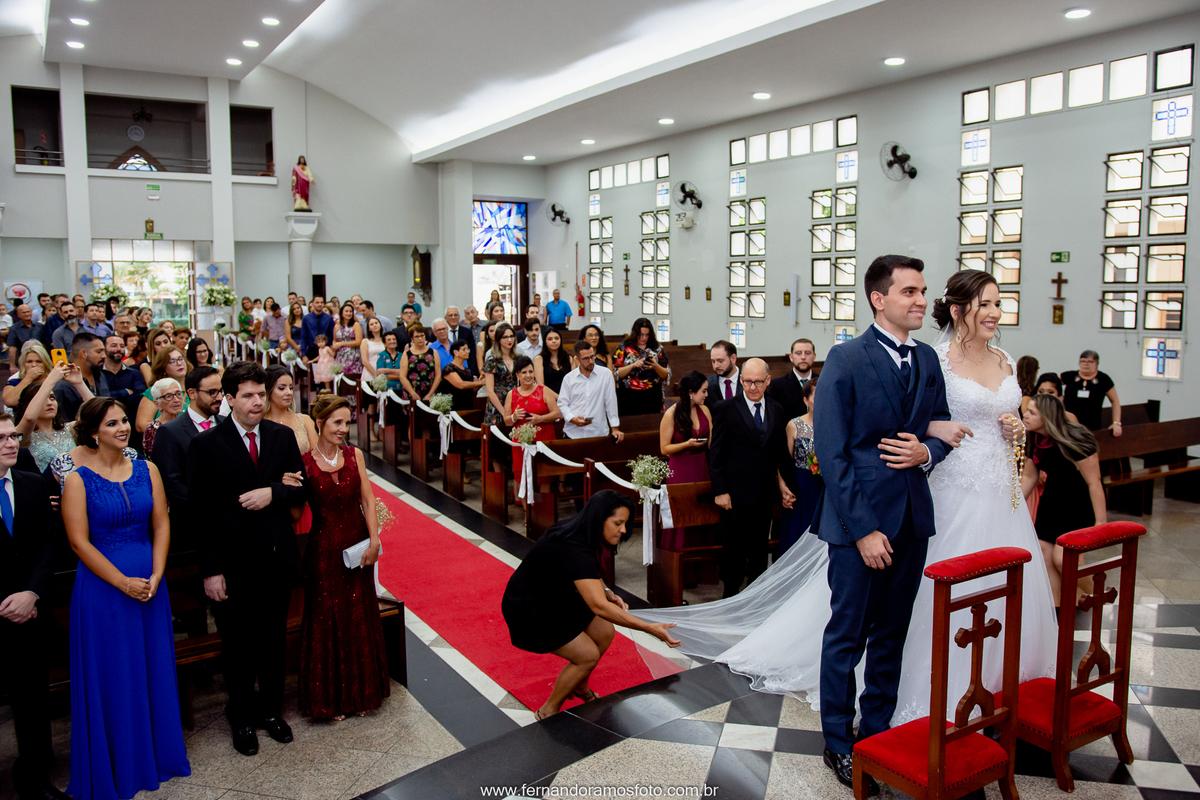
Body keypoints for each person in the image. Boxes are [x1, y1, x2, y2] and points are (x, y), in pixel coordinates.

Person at [61, 397, 191, 798]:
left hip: (150, 584)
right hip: (104, 590)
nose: (122, 428)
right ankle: (118, 763)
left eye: (123, 421)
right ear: (93, 433)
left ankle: (157, 754)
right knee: (114, 673)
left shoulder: (147, 469)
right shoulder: (77, 480)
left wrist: (157, 573)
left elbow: (162, 523)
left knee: (152, 668)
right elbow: (79, 543)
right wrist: (123, 582)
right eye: (112, 423)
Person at [188, 361, 307, 757]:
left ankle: (271, 711)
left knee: (273, 641)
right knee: (237, 645)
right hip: (233, 562)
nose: (257, 402)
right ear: (229, 398)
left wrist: (273, 492)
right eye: (248, 396)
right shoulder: (207, 444)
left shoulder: (280, 436)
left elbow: (300, 489)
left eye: (261, 394)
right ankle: (240, 716)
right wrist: (211, 571)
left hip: (275, 556)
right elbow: (200, 513)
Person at [501, 491, 680, 719]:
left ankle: (579, 685)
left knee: (604, 632)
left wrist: (607, 591)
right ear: (599, 519)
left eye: (625, 524)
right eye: (618, 523)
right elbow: (599, 606)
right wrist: (649, 627)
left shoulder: (583, 530)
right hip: (528, 607)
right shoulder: (574, 545)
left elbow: (589, 571)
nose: (624, 530)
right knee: (587, 655)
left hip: (555, 595)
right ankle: (547, 711)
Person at [297, 395, 388, 719]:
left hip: (356, 546)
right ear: (320, 422)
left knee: (358, 615)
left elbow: (367, 499)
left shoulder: (354, 455)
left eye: (346, 422)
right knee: (327, 619)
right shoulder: (304, 462)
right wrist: (286, 487)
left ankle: (362, 694)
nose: (343, 429)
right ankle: (330, 698)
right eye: (337, 422)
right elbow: (294, 513)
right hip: (322, 551)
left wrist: (374, 540)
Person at [0, 413, 69, 800]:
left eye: (13, 436)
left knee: (32, 700)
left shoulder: (29, 483)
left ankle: (35, 777)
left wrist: (31, 593)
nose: (11, 443)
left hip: (31, 610)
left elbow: (47, 542)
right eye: (1, 438)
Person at [708, 357, 795, 598]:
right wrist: (720, 491)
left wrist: (787, 485)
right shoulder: (725, 408)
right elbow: (716, 454)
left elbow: (780, 452)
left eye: (758, 381)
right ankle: (730, 596)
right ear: (741, 381)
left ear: (768, 381)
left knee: (759, 549)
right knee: (733, 549)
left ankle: (756, 598)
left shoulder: (777, 409)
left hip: (764, 493)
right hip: (733, 494)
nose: (752, 387)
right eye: (747, 381)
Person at [1024, 393, 1106, 605]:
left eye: (1032, 412)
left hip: (1076, 501)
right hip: (1052, 500)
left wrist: (1101, 523)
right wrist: (1013, 506)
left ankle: (1099, 594)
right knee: (1044, 554)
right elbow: (1029, 477)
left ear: (1046, 417)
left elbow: (1094, 482)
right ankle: (1058, 610)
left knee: (1062, 559)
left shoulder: (1075, 438)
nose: (1025, 415)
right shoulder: (1033, 437)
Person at [149, 366, 224, 554]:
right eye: (212, 392)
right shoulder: (170, 431)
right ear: (192, 393)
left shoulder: (227, 423)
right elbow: (171, 482)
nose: (219, 397)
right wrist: (208, 508)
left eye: (221, 391)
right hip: (192, 526)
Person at [657, 370, 712, 549]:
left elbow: (712, 442)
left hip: (702, 466)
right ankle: (677, 555)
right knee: (682, 512)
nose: (706, 395)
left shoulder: (705, 410)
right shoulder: (671, 413)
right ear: (690, 392)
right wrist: (686, 444)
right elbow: (664, 448)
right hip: (681, 468)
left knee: (703, 512)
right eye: (703, 391)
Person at [503, 355, 562, 498]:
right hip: (522, 442)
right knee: (522, 476)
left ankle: (543, 509)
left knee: (544, 478)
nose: (528, 375)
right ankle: (526, 510)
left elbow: (557, 413)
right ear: (517, 375)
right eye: (524, 372)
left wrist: (540, 418)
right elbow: (507, 421)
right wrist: (514, 417)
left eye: (530, 371)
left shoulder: (544, 390)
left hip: (543, 439)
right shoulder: (512, 394)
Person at [778, 377, 822, 555]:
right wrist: (783, 488)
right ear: (806, 400)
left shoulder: (834, 424)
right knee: (798, 532)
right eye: (817, 397)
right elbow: (784, 462)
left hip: (824, 487)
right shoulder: (794, 425)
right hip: (800, 485)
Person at [14, 365, 77, 473]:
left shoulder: (70, 429)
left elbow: (100, 417)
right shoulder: (24, 435)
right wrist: (51, 380)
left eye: (52, 398)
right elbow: (29, 418)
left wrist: (79, 383)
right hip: (43, 483)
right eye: (43, 399)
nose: (49, 403)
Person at [557, 340, 622, 443]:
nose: (591, 361)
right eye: (586, 358)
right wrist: (572, 419)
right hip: (573, 433)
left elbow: (611, 402)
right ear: (578, 359)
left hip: (598, 433)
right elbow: (562, 404)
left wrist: (615, 428)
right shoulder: (569, 378)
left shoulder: (606, 374)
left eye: (592, 356)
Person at [613, 318, 669, 416]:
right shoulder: (623, 348)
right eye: (641, 334)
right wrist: (633, 365)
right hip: (628, 394)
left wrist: (655, 366)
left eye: (647, 335)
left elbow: (666, 375)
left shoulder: (657, 348)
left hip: (652, 394)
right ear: (635, 333)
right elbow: (615, 373)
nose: (644, 338)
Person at [1061, 349, 1121, 435]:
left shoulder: (1103, 379)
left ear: (1096, 363)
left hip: (1092, 425)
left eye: (1090, 361)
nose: (1086, 364)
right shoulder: (1070, 376)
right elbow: (1051, 381)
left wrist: (1116, 423)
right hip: (1068, 424)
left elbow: (1115, 401)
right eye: (1083, 361)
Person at [135, 345, 190, 433]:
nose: (179, 363)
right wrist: (169, 432)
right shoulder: (153, 392)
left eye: (180, 359)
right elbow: (141, 425)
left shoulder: (194, 390)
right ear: (163, 368)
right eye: (173, 361)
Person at [263, 365, 317, 456]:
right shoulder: (258, 423)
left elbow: (317, 457)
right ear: (268, 390)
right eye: (282, 388)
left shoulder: (305, 421)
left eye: (291, 388)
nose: (289, 393)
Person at [53, 332, 105, 423]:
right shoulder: (63, 386)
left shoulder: (101, 376)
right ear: (84, 353)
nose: (104, 356)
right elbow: (62, 424)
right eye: (99, 352)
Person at [766, 338, 816, 420]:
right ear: (791, 357)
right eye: (798, 353)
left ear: (814, 356)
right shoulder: (776, 385)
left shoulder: (822, 383)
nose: (803, 357)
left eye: (807, 353)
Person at [100, 334, 147, 419]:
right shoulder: (97, 374)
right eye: (113, 345)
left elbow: (139, 398)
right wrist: (126, 392)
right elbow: (99, 398)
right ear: (104, 349)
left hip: (130, 419)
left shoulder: (135, 373)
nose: (118, 349)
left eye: (122, 346)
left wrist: (112, 395)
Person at [482, 323, 518, 427]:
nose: (509, 340)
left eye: (511, 336)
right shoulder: (492, 360)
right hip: (497, 404)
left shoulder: (518, 358)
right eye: (505, 337)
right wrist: (504, 412)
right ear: (498, 340)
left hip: (514, 402)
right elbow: (490, 391)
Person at [398, 323, 442, 403]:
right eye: (417, 337)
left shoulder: (433, 352)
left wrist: (430, 394)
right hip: (412, 393)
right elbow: (402, 376)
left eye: (422, 336)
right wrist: (413, 393)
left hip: (430, 391)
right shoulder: (406, 354)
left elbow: (438, 375)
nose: (420, 339)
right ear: (412, 338)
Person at [141, 378, 184, 455]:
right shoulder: (153, 430)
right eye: (168, 396)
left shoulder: (189, 421)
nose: (176, 400)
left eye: (178, 394)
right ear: (158, 404)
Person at [438, 339, 484, 411]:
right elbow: (461, 384)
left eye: (468, 349)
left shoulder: (468, 371)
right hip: (454, 407)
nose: (468, 352)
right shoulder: (449, 369)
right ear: (456, 352)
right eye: (464, 349)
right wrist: (481, 383)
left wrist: (481, 381)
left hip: (467, 405)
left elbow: (471, 389)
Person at [4, 341, 53, 408]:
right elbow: (10, 402)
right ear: (23, 364)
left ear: (46, 363)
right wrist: (29, 378)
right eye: (29, 361)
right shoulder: (14, 382)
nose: (34, 365)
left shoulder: (54, 380)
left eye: (39, 361)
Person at [333, 303, 364, 387]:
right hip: (340, 357)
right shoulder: (337, 326)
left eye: (350, 311)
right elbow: (335, 339)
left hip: (353, 357)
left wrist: (342, 343)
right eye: (346, 311)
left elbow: (359, 341)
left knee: (352, 380)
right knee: (341, 381)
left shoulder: (356, 325)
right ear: (341, 313)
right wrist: (334, 345)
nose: (349, 313)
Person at [535, 328, 574, 395]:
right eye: (550, 339)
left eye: (556, 338)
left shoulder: (568, 358)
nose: (554, 341)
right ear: (545, 342)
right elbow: (540, 385)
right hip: (548, 397)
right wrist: (558, 397)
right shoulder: (539, 359)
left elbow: (573, 381)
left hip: (568, 396)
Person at [705, 339, 741, 407]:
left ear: (733, 358)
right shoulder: (707, 384)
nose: (716, 366)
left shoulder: (748, 381)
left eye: (720, 361)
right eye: (713, 361)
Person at [302, 297, 337, 362]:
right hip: (312, 349)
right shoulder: (306, 318)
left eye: (321, 302)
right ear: (312, 304)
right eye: (317, 302)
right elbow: (303, 336)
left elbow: (333, 335)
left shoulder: (329, 318)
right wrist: (303, 354)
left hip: (326, 349)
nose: (320, 304)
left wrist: (333, 350)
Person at [7, 303, 42, 367]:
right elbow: (12, 348)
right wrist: (12, 365)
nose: (27, 314)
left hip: (40, 360)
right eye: (24, 312)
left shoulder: (40, 326)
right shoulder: (14, 328)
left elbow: (44, 345)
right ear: (18, 315)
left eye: (28, 312)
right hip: (22, 361)